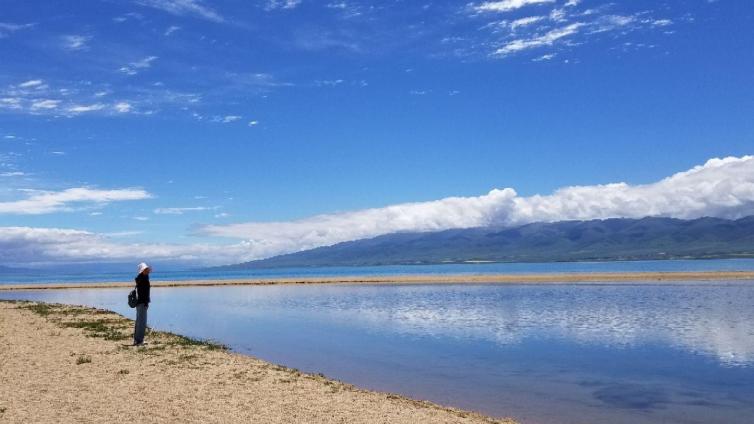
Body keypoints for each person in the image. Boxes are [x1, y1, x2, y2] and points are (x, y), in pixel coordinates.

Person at [133, 262, 151, 346]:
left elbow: (144, 292)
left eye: (147, 269)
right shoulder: (142, 279)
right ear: (142, 270)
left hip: (140, 302)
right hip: (142, 303)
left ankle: (137, 340)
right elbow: (143, 293)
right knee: (141, 322)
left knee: (139, 321)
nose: (147, 270)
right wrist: (146, 302)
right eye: (146, 269)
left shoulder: (142, 278)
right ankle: (139, 340)